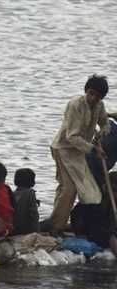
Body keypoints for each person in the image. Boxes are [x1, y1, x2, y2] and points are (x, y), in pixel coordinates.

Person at [50, 74, 110, 235]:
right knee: (68, 189)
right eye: (91, 93)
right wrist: (93, 149)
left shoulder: (99, 105)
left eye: (97, 96)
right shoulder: (75, 105)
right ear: (86, 91)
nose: (93, 98)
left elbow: (104, 122)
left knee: (88, 191)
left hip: (79, 152)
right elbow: (72, 136)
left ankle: (66, 223)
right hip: (63, 148)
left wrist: (103, 131)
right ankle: (56, 227)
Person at [70, 172, 117, 255]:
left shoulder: (112, 202)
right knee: (109, 236)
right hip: (92, 232)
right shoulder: (95, 200)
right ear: (105, 187)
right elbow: (76, 215)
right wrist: (80, 233)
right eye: (114, 190)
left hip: (104, 229)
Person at [13, 168, 40, 235]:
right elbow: (34, 215)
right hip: (27, 230)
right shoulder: (30, 193)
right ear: (32, 182)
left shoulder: (12, 193)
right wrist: (37, 232)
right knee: (49, 223)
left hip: (14, 229)